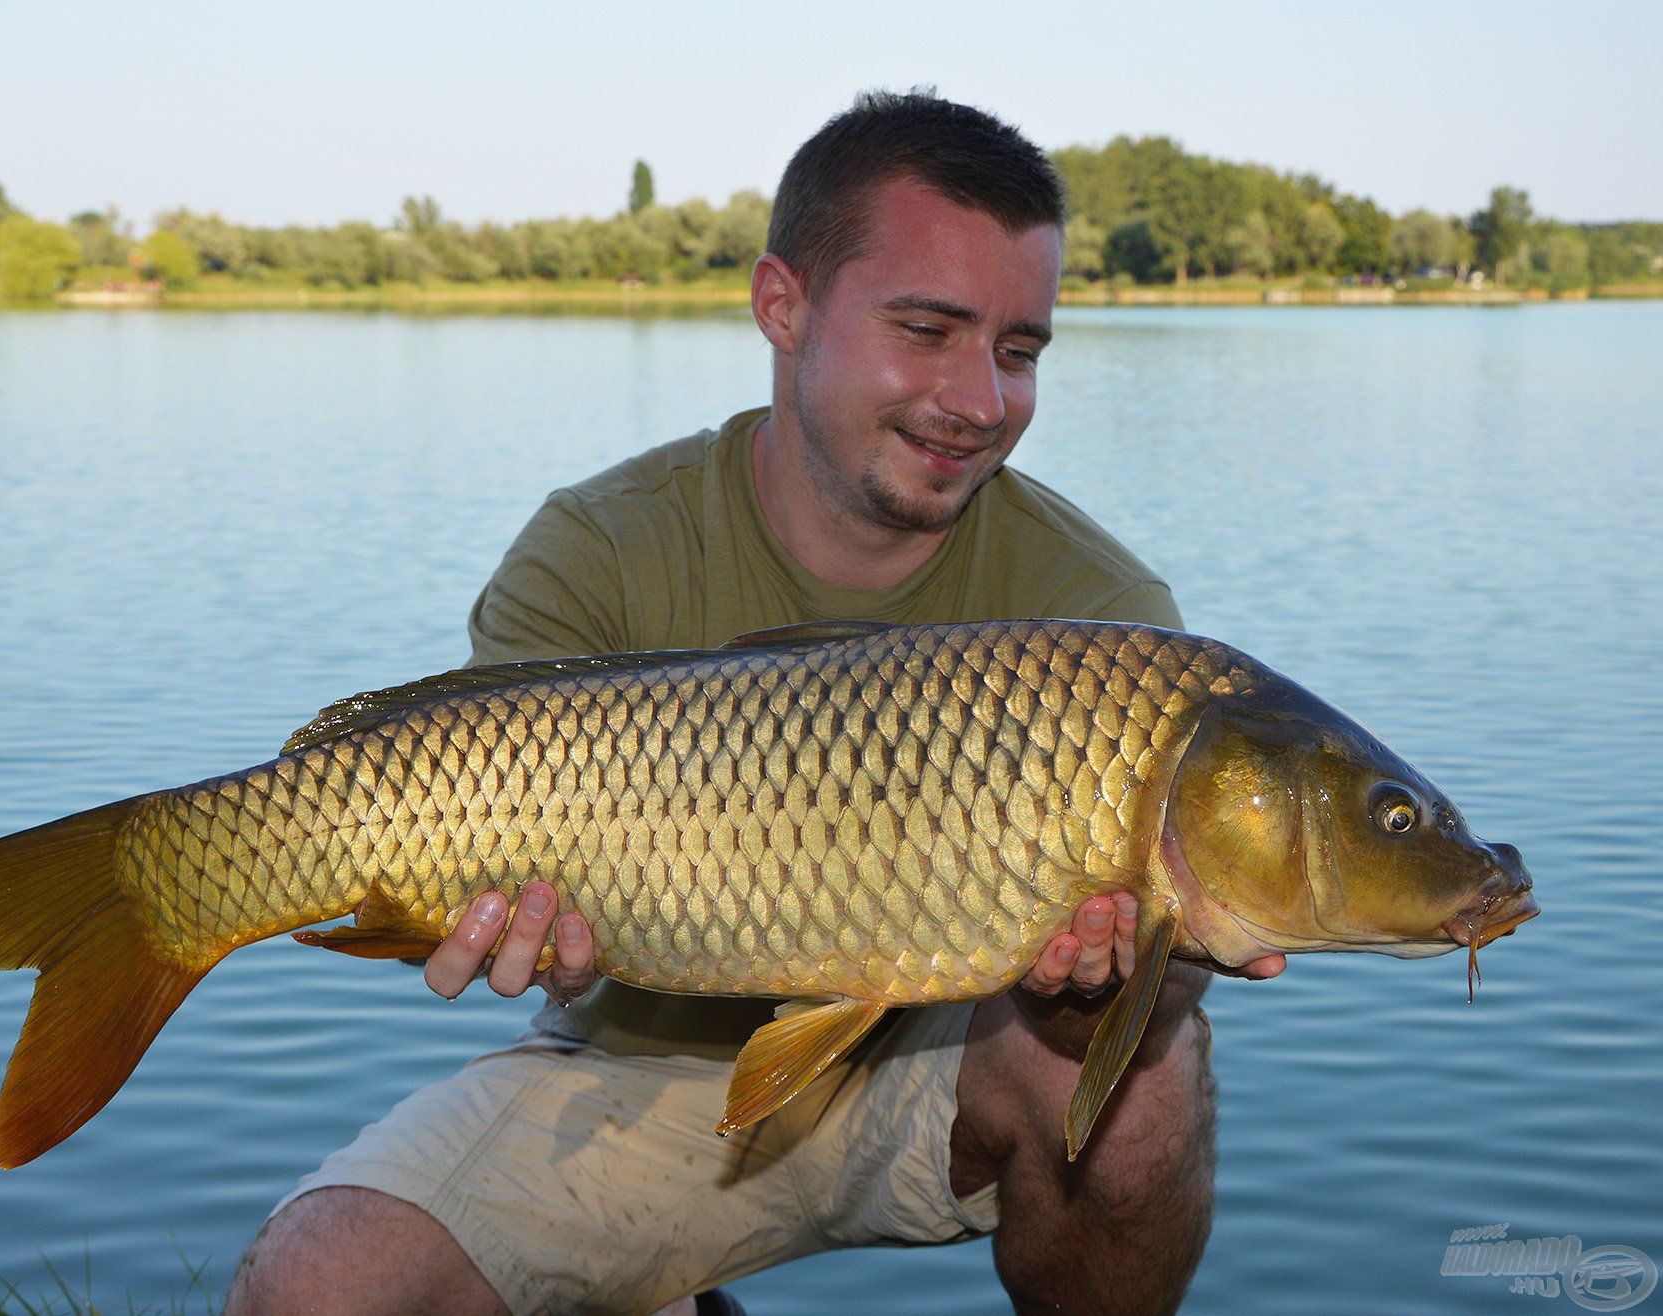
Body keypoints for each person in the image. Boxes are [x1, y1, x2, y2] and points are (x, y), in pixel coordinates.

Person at [227, 90, 1284, 1316]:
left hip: (959, 1056)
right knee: (311, 1290)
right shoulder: (598, 545)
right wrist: (505, 930)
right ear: (782, 306)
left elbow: (1181, 947)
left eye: (1019, 349)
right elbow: (507, 909)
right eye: (929, 329)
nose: (981, 400)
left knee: (1146, 1075)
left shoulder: (1100, 615)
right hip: (642, 1059)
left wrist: (1116, 984)